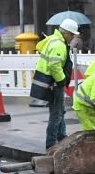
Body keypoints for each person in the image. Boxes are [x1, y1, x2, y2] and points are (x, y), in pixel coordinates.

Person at [33, 17, 80, 150]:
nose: (72, 38)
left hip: (51, 83)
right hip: (54, 84)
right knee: (56, 114)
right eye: (72, 35)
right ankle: (51, 144)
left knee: (60, 111)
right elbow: (54, 66)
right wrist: (61, 81)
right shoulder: (58, 44)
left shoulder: (55, 41)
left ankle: (61, 137)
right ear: (66, 33)